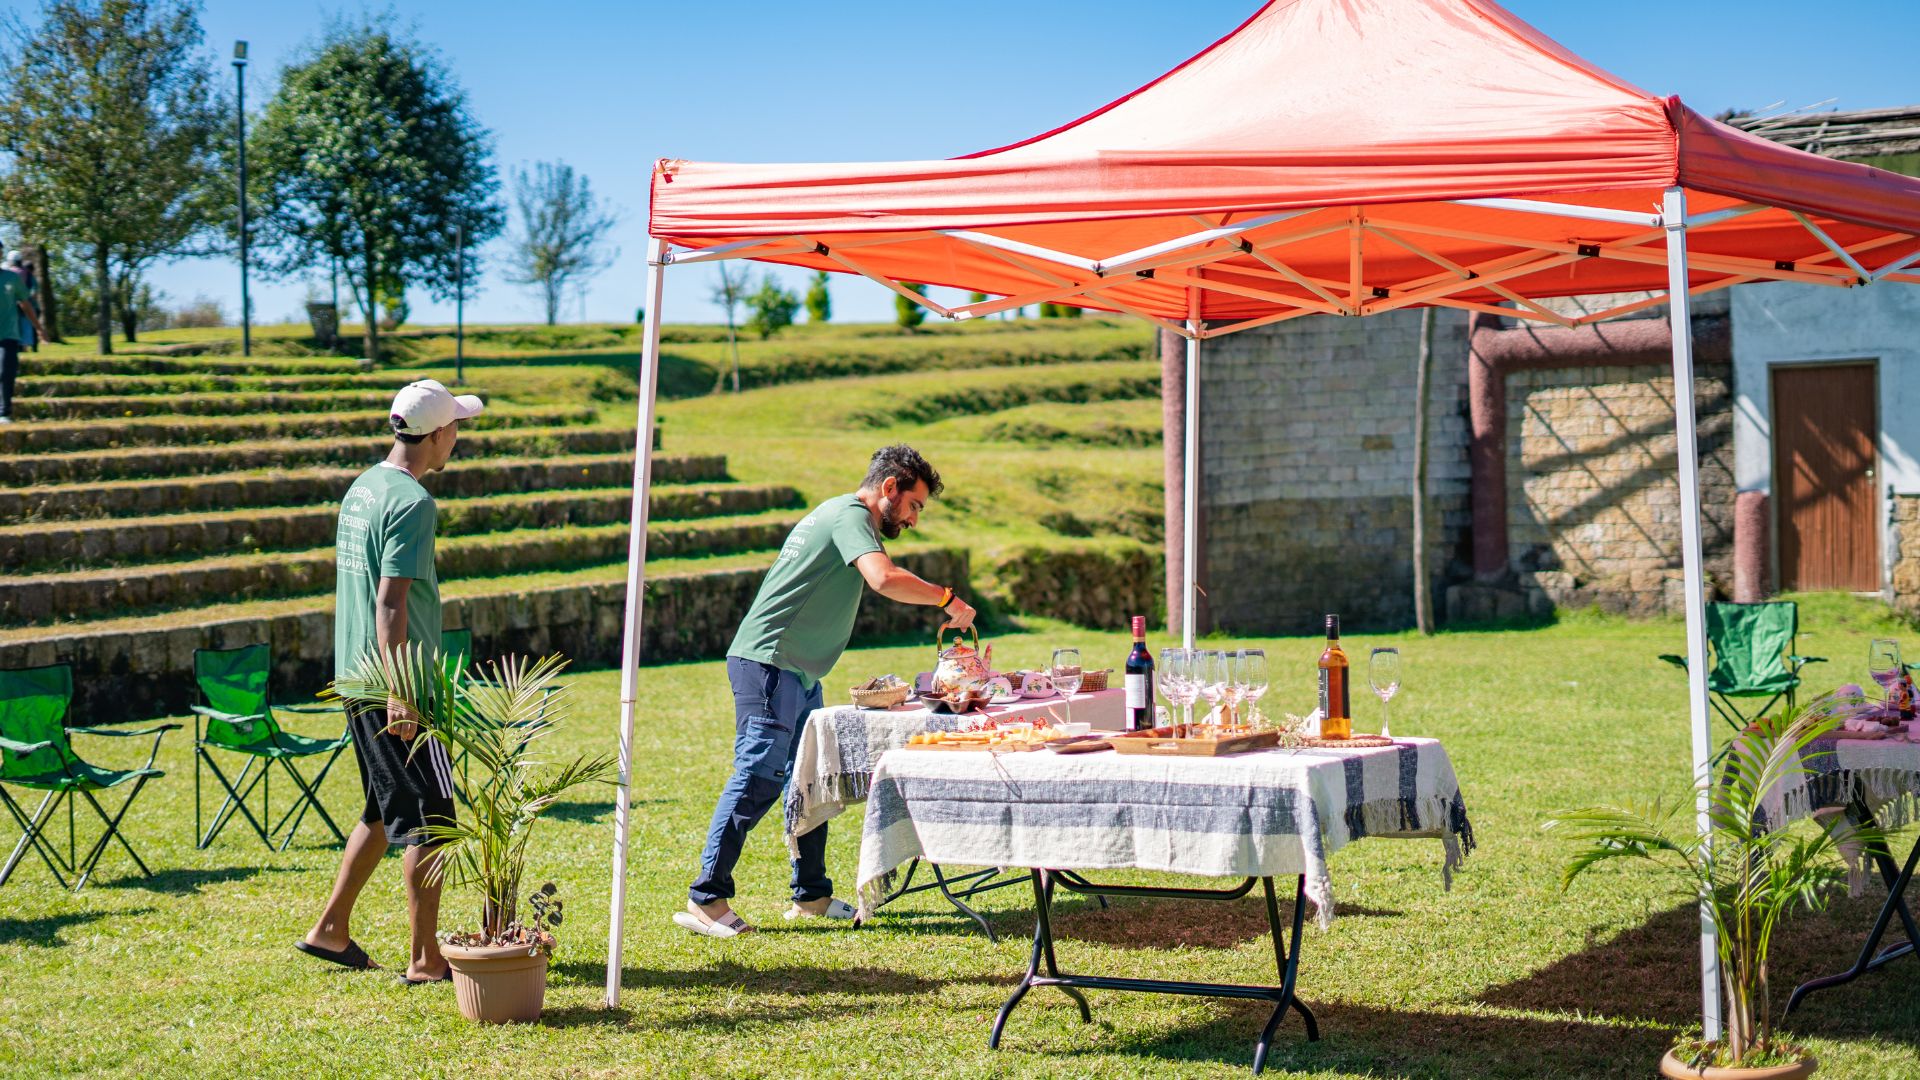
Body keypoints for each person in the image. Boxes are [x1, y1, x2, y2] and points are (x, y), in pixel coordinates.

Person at [676, 445, 977, 937]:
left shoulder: (843, 516)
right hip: (769, 664)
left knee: (806, 781)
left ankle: (811, 895)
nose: (915, 519)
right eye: (915, 505)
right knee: (757, 777)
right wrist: (947, 598)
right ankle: (706, 898)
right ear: (889, 487)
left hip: (797, 674)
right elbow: (883, 578)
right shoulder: (848, 514)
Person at [297, 378, 483, 983]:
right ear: (436, 435)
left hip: (358, 677)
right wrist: (404, 691)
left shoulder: (364, 488)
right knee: (429, 820)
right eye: (456, 426)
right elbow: (390, 604)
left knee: (383, 809)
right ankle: (427, 959)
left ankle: (330, 930)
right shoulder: (411, 503)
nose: (459, 436)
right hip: (394, 686)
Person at [0, 253, 46, 424]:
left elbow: (26, 304)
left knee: (6, 372)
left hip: (8, 334)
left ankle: (4, 412)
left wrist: (39, 329)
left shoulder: (12, 278)